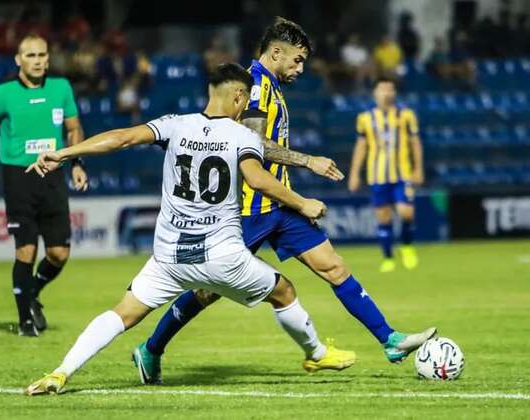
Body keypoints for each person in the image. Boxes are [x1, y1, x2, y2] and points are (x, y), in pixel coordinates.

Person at [132, 18, 436, 386]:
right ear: (276, 52)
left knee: (334, 267)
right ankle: (151, 348)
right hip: (246, 208)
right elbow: (254, 146)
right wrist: (309, 160)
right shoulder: (253, 86)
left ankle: (390, 340)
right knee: (206, 292)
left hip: (280, 207)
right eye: (297, 60)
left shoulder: (270, 84)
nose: (301, 68)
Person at [25, 63, 356, 395]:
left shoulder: (176, 125)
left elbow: (122, 138)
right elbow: (258, 179)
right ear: (239, 96)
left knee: (122, 314)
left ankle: (60, 372)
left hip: (169, 257)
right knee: (283, 291)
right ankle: (316, 354)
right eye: (246, 100)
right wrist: (302, 203)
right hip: (223, 257)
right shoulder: (243, 136)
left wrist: (65, 153)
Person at [0, 35, 89, 336]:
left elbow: (74, 128)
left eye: (42, 55)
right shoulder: (4, 93)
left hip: (52, 175)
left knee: (59, 254)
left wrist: (77, 163)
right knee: (25, 250)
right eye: (31, 55)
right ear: (18, 60)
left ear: (48, 59)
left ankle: (32, 293)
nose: (38, 60)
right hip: (18, 178)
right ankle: (25, 321)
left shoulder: (61, 88)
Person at [348, 77, 424, 273]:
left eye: (390, 89)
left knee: (406, 213)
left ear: (394, 93)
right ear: (375, 93)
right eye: (382, 89)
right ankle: (388, 257)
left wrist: (418, 169)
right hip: (377, 176)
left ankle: (407, 246)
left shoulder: (406, 115)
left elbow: (415, 143)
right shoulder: (365, 118)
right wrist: (355, 173)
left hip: (402, 174)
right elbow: (361, 147)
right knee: (384, 218)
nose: (386, 93)